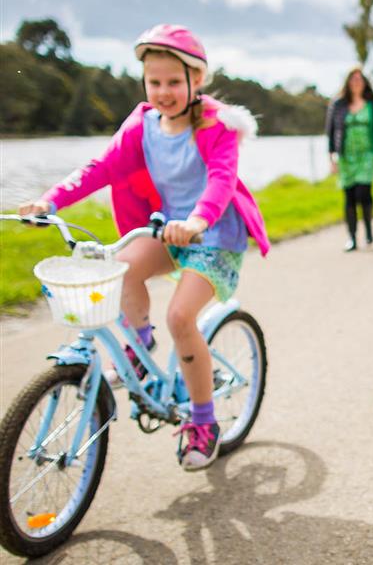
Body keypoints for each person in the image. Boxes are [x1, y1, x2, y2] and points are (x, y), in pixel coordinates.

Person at [18, 24, 270, 472]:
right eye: (154, 82)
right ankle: (138, 343)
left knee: (180, 316)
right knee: (119, 268)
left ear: (197, 80)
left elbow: (220, 179)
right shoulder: (143, 124)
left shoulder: (217, 125)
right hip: (168, 230)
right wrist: (50, 200)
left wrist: (197, 220)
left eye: (174, 82)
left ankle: (204, 422)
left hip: (212, 234)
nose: (164, 92)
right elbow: (101, 168)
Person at [326, 66, 373, 251]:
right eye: (353, 80)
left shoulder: (372, 104)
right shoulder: (338, 104)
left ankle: (369, 229)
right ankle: (352, 238)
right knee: (349, 197)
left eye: (359, 79)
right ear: (348, 82)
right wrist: (331, 157)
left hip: (367, 155)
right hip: (346, 156)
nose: (356, 83)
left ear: (364, 83)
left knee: (364, 193)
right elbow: (331, 131)